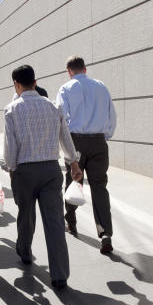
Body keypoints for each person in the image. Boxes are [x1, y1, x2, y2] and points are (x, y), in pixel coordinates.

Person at [2, 65, 82, 289]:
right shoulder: (53, 106)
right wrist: (74, 162)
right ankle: (59, 275)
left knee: (25, 214)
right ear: (35, 82)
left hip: (25, 170)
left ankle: (25, 251)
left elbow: (10, 147)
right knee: (55, 221)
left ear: (16, 85)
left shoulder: (11, 110)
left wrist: (11, 169)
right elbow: (65, 138)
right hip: (50, 170)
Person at [56, 55, 117, 254]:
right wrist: (104, 136)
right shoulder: (101, 86)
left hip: (76, 140)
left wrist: (65, 146)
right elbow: (111, 115)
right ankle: (105, 232)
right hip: (99, 141)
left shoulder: (66, 88)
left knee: (74, 181)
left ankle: (71, 222)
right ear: (85, 68)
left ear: (69, 71)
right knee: (100, 186)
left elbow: (61, 118)